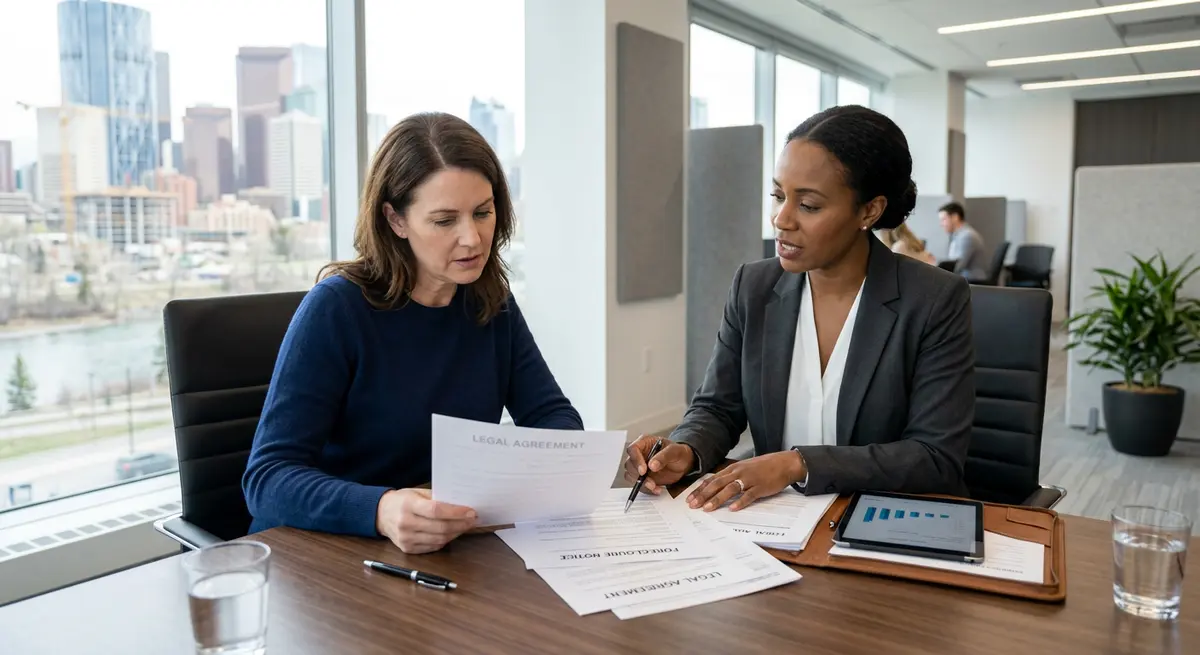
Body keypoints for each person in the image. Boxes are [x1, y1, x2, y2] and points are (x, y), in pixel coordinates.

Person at [243, 112, 583, 553]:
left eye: (483, 212)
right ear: (396, 220)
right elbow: (268, 477)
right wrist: (381, 509)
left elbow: (554, 418)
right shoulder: (336, 309)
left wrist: (523, 473)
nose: (473, 239)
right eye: (444, 221)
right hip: (325, 555)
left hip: (443, 545)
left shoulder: (490, 302)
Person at [624, 105, 974, 512]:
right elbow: (718, 406)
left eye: (808, 205)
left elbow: (934, 457)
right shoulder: (753, 287)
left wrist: (798, 464)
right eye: (778, 195)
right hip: (776, 520)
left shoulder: (934, 299)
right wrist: (685, 449)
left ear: (869, 211)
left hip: (878, 521)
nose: (781, 218)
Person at [939, 202, 987, 281]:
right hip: (965, 279)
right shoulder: (959, 235)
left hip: (972, 281)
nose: (941, 224)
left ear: (955, 217)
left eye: (943, 219)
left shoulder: (967, 236)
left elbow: (957, 267)